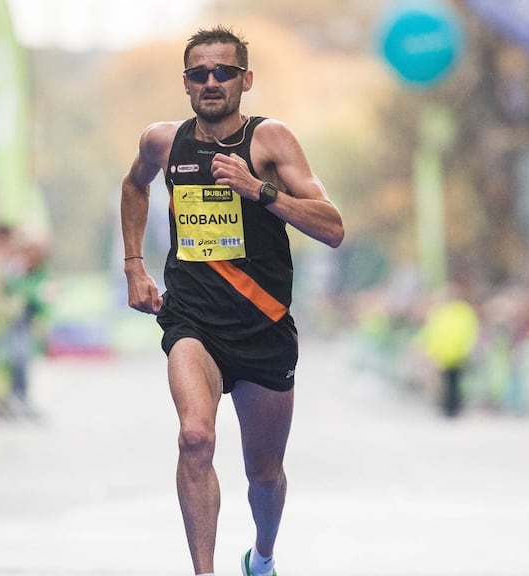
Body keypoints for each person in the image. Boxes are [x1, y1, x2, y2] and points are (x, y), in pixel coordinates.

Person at [120, 26, 344, 576]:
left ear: (246, 79)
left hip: (263, 325)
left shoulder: (271, 142)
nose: (212, 81)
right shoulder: (164, 142)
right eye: (200, 73)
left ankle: (262, 555)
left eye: (224, 71)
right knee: (195, 436)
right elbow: (134, 186)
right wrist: (134, 267)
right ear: (186, 83)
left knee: (263, 473)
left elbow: (334, 227)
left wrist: (258, 190)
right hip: (193, 319)